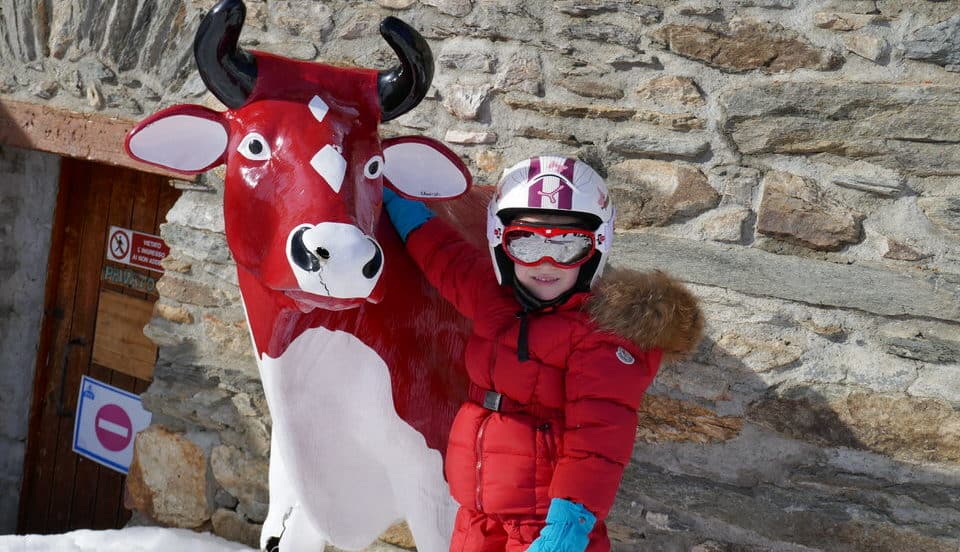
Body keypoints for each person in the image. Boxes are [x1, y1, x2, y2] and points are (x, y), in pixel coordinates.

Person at [382, 155, 703, 552]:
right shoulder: (493, 299)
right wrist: (394, 202)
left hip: (543, 528)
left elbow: (598, 443)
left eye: (567, 246)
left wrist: (568, 527)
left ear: (596, 247)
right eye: (527, 242)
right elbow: (445, 258)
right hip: (477, 517)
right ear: (502, 242)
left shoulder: (600, 339)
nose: (546, 262)